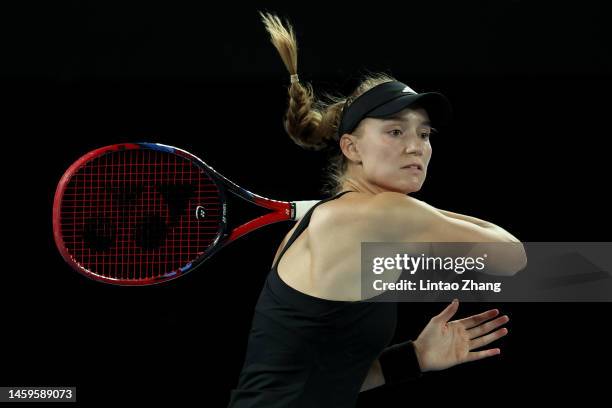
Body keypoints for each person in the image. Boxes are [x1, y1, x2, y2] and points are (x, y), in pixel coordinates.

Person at [228, 12, 526, 407]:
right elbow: (512, 256)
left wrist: (414, 358)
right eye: (395, 131)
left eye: (424, 134)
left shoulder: (308, 232)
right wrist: (413, 209)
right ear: (351, 148)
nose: (416, 146)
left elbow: (314, 381)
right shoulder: (382, 214)